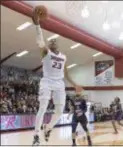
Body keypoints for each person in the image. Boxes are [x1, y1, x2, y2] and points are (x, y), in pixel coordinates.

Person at [32, 7, 83, 145]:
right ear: (49, 45)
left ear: (58, 45)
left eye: (55, 41)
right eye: (51, 41)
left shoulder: (63, 57)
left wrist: (74, 84)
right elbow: (40, 40)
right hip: (47, 81)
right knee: (43, 107)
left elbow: (65, 73)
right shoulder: (45, 52)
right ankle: (36, 135)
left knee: (60, 111)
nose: (52, 42)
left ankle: (48, 128)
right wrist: (37, 24)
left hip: (60, 83)